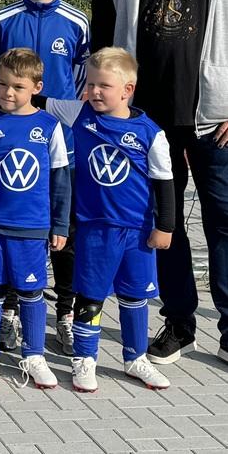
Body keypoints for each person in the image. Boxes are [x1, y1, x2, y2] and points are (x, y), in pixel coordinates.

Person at [91, 0, 228, 366]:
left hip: (214, 115)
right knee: (162, 223)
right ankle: (180, 322)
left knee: (224, 223)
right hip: (146, 119)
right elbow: (104, 28)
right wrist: (107, 97)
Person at [38, 48, 175, 392]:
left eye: (104, 86)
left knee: (134, 296)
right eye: (92, 84)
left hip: (138, 232)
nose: (94, 92)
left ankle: (135, 358)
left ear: (127, 90)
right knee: (91, 295)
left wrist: (166, 226)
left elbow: (165, 182)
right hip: (96, 228)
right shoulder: (79, 113)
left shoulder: (150, 133)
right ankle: (85, 359)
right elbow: (36, 99)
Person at [0, 0, 90, 355]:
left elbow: (79, 88)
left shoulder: (78, 22)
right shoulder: (3, 20)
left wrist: (55, 117)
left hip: (57, 142)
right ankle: (8, 311)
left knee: (63, 231)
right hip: (12, 142)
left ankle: (64, 313)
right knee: (12, 227)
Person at [0, 48, 70, 392]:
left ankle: (34, 354)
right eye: (2, 84)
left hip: (32, 228)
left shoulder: (49, 126)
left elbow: (60, 180)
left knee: (31, 290)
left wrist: (60, 225)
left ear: (36, 87)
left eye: (18, 87)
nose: (8, 92)